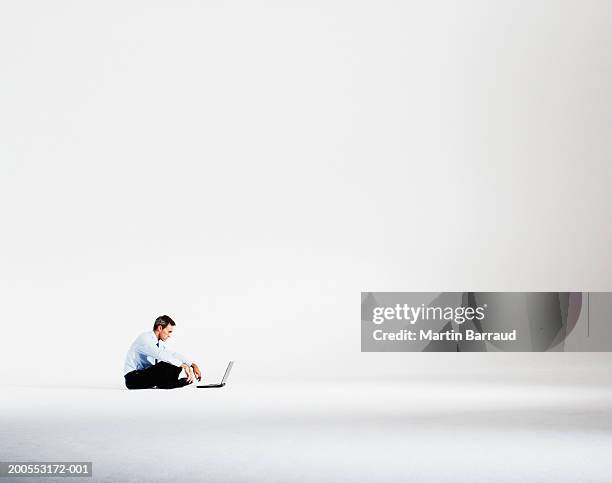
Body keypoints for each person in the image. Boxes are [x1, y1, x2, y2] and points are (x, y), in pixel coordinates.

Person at [124, 315, 202, 389]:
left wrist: (193, 365)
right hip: (133, 377)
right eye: (169, 332)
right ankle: (167, 383)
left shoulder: (158, 343)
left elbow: (172, 354)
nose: (169, 335)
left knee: (174, 366)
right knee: (166, 365)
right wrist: (183, 365)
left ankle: (166, 383)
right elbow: (160, 355)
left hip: (145, 374)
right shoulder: (145, 338)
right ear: (160, 328)